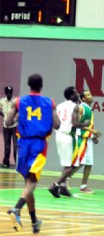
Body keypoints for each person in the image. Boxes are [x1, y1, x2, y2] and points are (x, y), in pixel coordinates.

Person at [6, 74, 60, 233]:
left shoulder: (18, 101)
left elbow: (8, 122)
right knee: (32, 184)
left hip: (22, 144)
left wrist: (18, 118)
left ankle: (35, 222)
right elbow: (57, 124)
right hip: (38, 145)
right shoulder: (49, 102)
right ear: (41, 85)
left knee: (28, 185)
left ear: (28, 85)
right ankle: (16, 209)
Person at [48, 86, 90, 198]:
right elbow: (75, 124)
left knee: (66, 163)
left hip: (59, 136)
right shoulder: (75, 107)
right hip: (68, 136)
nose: (77, 94)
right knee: (71, 165)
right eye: (76, 93)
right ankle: (55, 185)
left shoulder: (59, 106)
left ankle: (63, 187)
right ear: (71, 95)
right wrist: (85, 124)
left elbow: (54, 122)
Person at [67, 90, 101, 194]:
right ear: (83, 98)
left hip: (88, 138)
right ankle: (66, 179)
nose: (91, 96)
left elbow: (89, 125)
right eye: (88, 95)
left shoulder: (89, 109)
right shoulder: (81, 107)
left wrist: (92, 136)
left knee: (89, 164)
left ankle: (83, 186)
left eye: (91, 94)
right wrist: (92, 131)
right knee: (79, 163)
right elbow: (77, 123)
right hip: (81, 138)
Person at [0, 86, 18, 168]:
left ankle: (17, 162)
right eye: (8, 92)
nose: (9, 94)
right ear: (6, 93)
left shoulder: (14, 101)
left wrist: (14, 118)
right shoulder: (2, 101)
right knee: (7, 146)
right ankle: (6, 162)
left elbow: (18, 111)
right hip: (6, 126)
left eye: (11, 92)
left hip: (14, 126)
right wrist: (3, 115)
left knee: (15, 146)